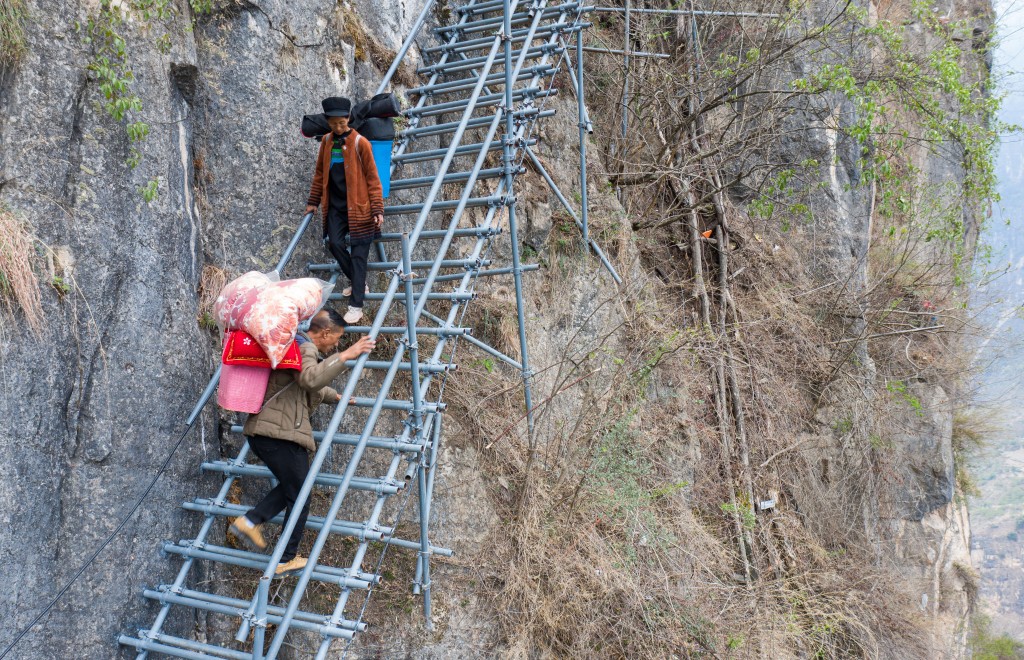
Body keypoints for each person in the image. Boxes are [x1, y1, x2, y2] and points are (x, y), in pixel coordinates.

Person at [228, 308, 375, 576]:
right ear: (326, 333)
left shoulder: (293, 344)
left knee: (293, 489)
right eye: (337, 339)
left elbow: (297, 380)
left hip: (264, 432)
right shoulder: (305, 348)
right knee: (301, 495)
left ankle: (251, 521)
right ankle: (285, 557)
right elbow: (308, 379)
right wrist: (347, 355)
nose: (337, 345)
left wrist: (333, 396)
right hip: (282, 434)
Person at [306, 96, 385, 325]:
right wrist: (313, 201)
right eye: (333, 124)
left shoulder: (361, 143)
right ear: (328, 122)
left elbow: (373, 178)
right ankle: (359, 282)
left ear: (348, 119)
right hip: (337, 207)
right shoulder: (327, 142)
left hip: (360, 207)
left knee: (359, 255)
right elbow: (320, 174)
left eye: (342, 123)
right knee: (335, 243)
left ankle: (356, 305)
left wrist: (377, 208)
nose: (338, 128)